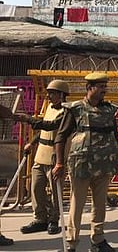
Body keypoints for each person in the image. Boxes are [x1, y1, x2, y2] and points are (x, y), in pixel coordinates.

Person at [52, 72, 118, 252]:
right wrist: (59, 163)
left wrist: (117, 159)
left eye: (105, 87)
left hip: (103, 166)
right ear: (90, 88)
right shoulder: (75, 109)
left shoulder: (109, 110)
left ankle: (98, 240)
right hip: (81, 166)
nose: (104, 91)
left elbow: (115, 136)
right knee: (77, 204)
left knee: (100, 205)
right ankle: (71, 243)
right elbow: (60, 137)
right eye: (100, 87)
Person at [14, 80, 69, 235]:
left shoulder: (66, 112)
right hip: (41, 154)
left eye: (52, 93)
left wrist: (27, 119)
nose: (49, 96)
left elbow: (50, 125)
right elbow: (43, 128)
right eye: (49, 93)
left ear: (61, 95)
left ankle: (53, 219)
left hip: (55, 156)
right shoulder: (49, 108)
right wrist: (32, 143)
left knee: (55, 190)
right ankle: (40, 218)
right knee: (36, 187)